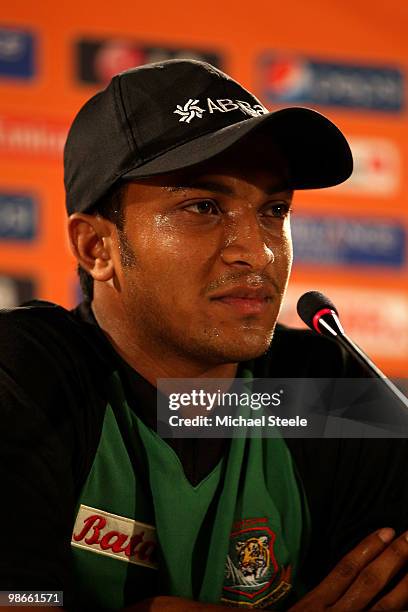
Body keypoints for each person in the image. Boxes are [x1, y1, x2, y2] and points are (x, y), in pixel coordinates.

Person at [1, 59, 407, 611]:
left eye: (274, 210)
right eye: (204, 207)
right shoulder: (25, 374)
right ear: (97, 248)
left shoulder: (325, 389)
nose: (258, 251)